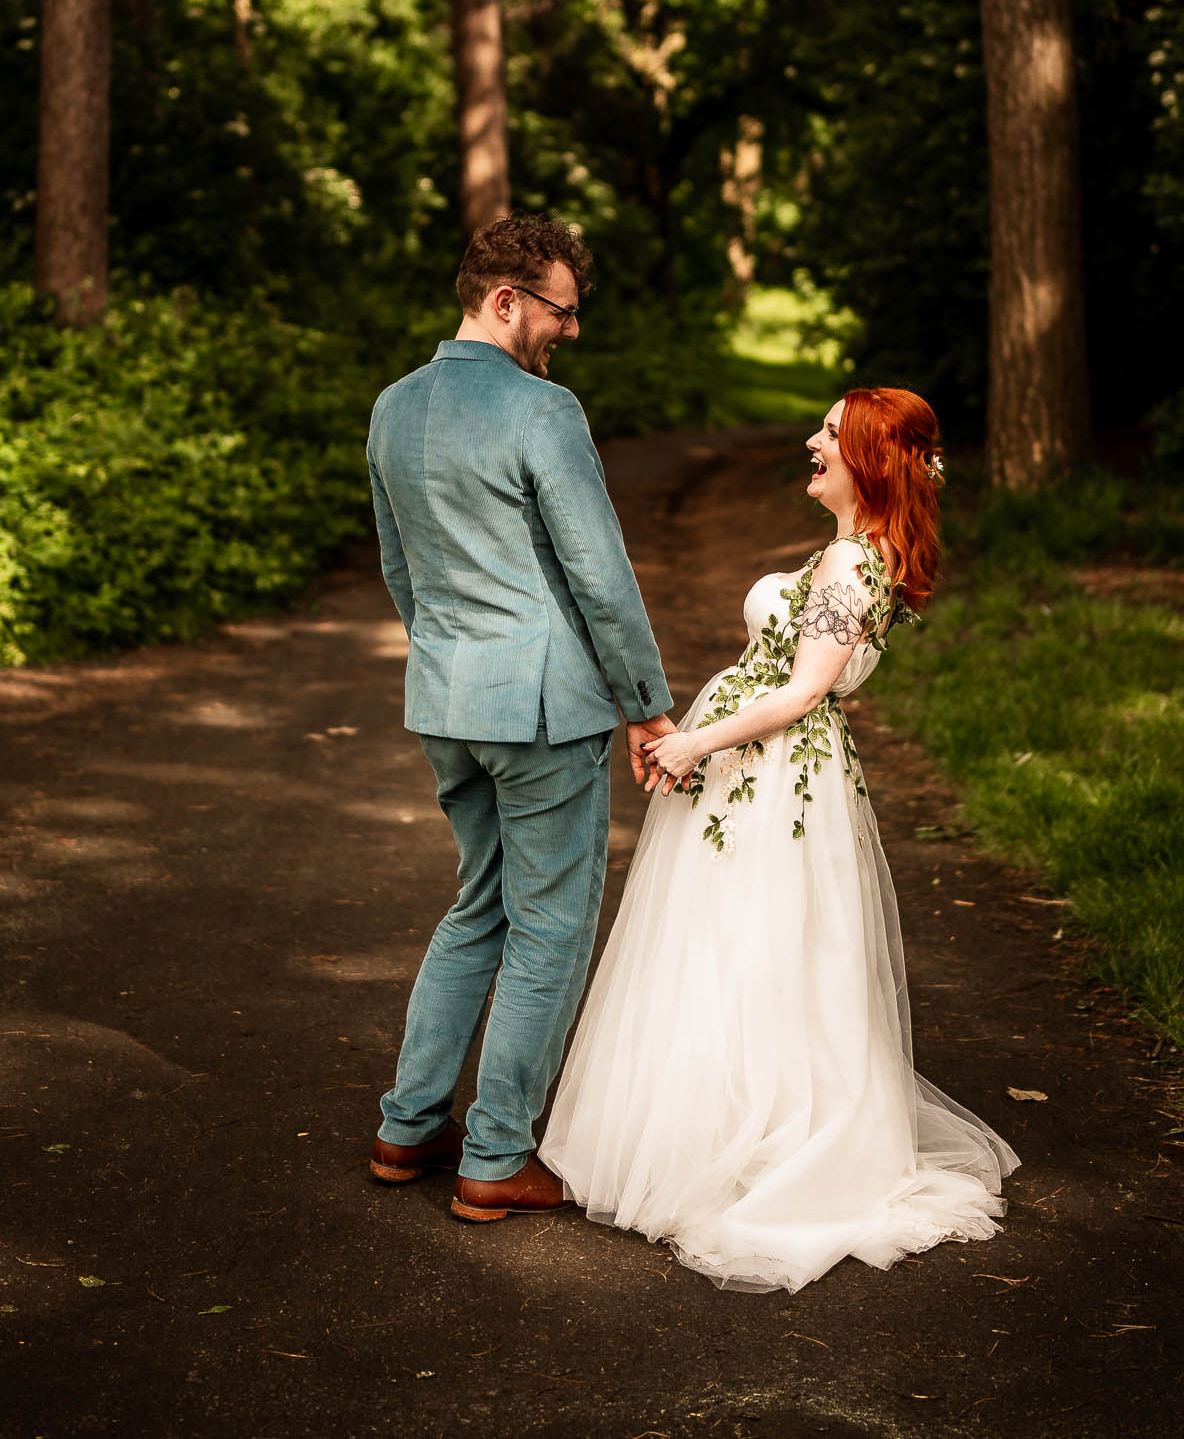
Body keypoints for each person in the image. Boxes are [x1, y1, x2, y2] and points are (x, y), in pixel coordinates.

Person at [540, 387, 1019, 1292]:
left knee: (752, 948)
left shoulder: (849, 564)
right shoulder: (850, 553)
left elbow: (802, 692)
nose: (811, 442)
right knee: (749, 947)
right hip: (764, 773)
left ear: (869, 458)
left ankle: (746, 1144)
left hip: (773, 775)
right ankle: (712, 1127)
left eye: (830, 434)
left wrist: (692, 740)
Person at [366, 213, 675, 1222]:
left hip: (447, 700)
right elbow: (599, 573)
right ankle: (496, 1156)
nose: (569, 332)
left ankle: (407, 1130)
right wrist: (647, 704)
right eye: (561, 311)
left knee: (479, 905)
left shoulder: (392, 408)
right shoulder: (543, 413)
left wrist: (453, 658)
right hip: (543, 712)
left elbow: (401, 569)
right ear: (505, 301)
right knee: (549, 927)